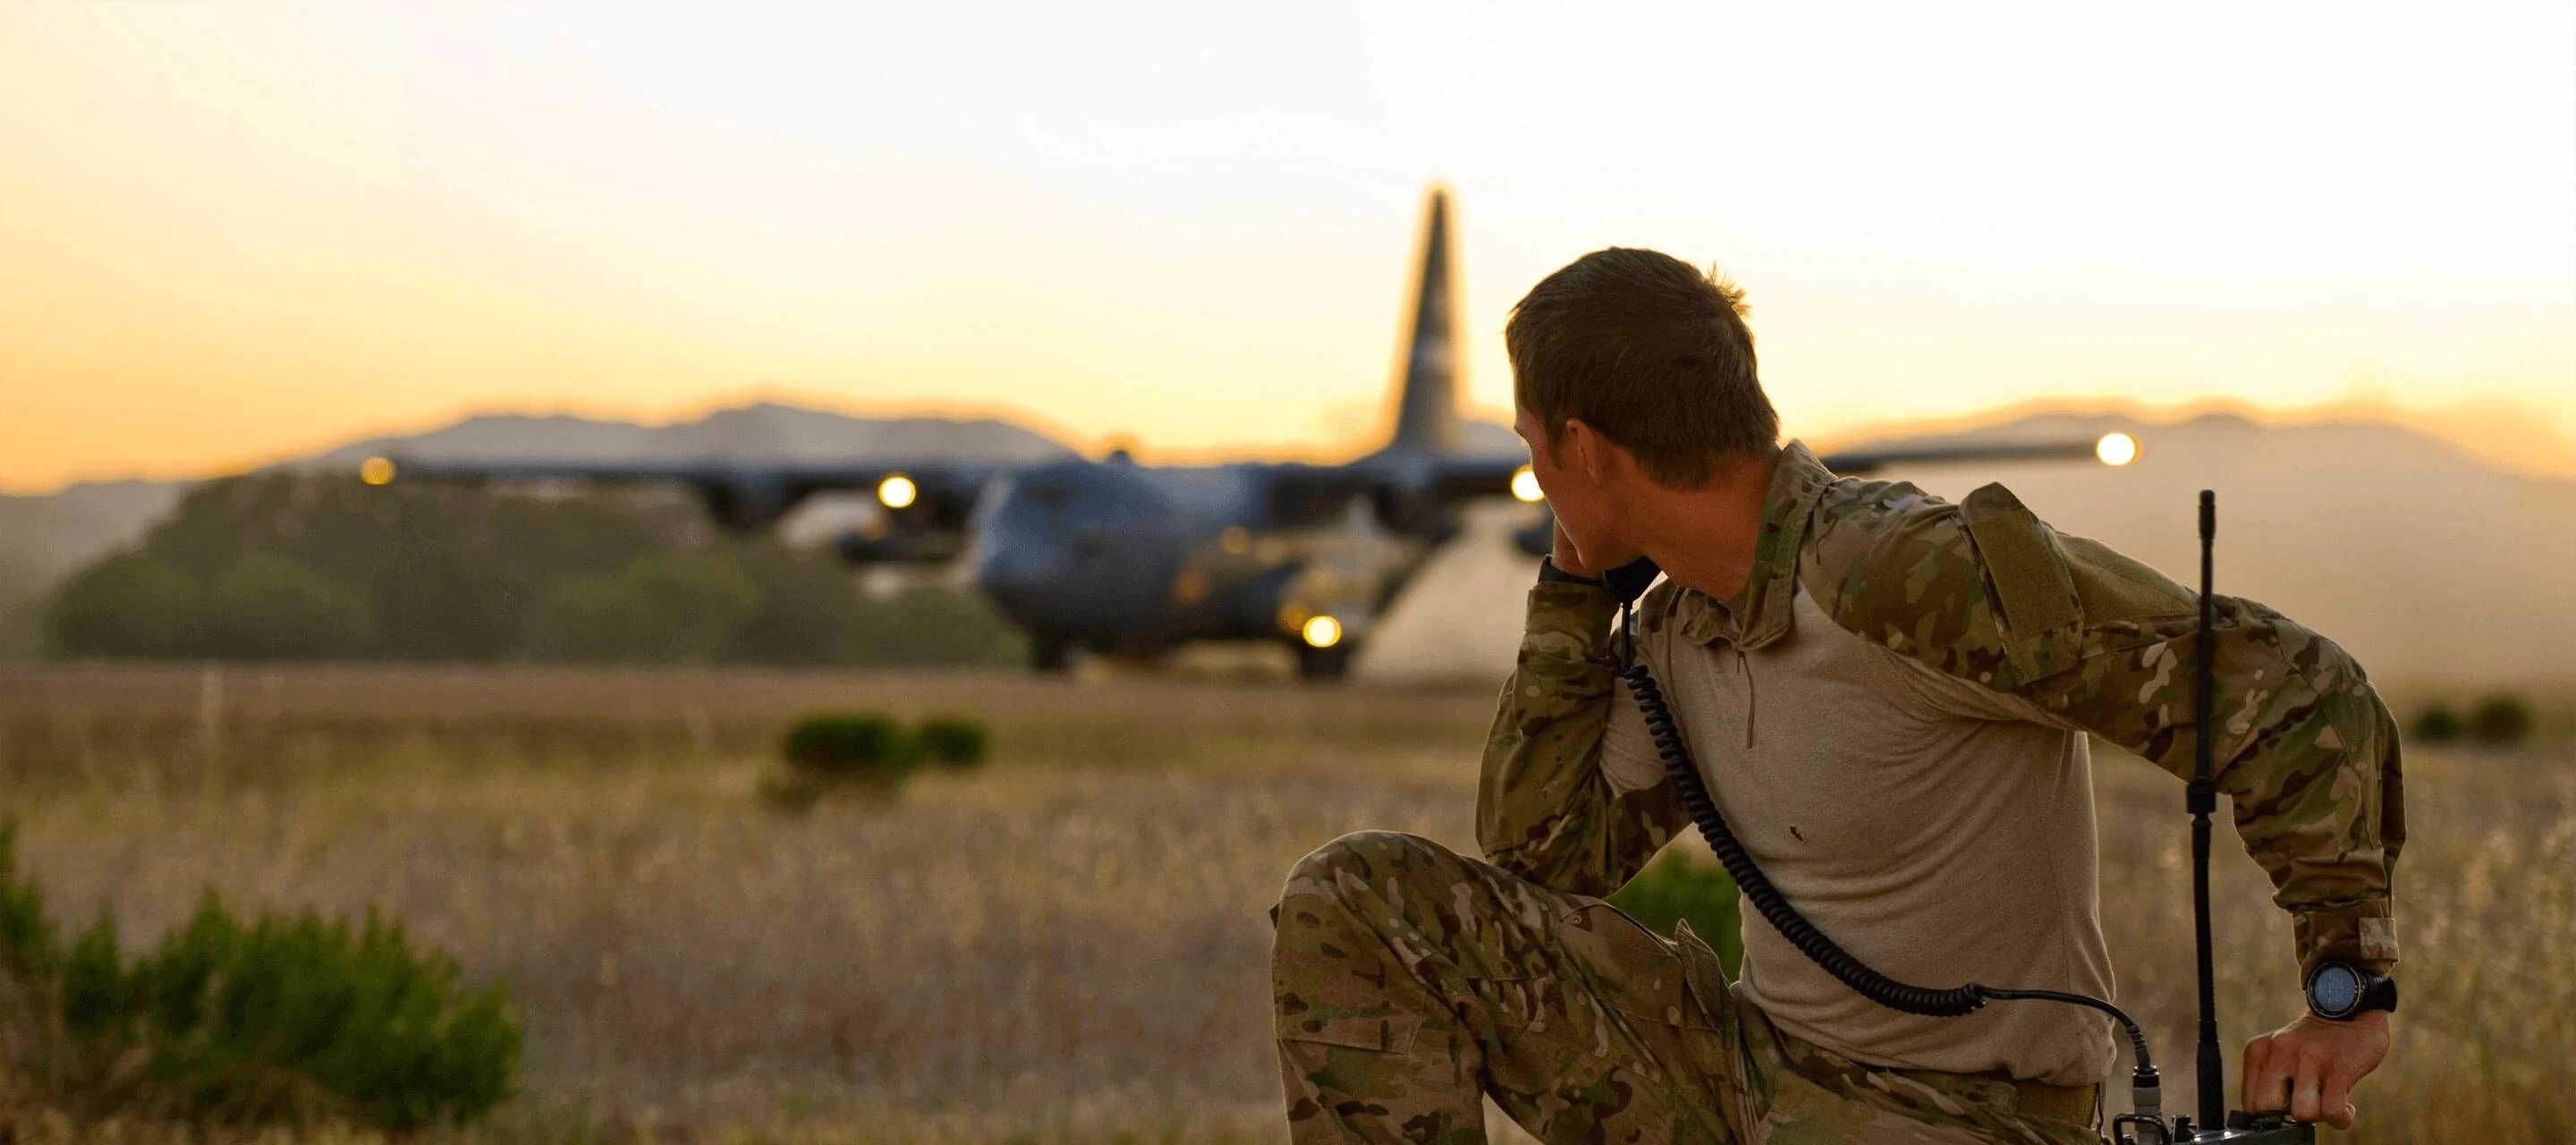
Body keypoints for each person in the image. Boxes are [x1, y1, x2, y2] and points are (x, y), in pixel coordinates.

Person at [1267, 248, 2402, 1143]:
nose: (1536, 470)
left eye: (1534, 446)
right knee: (1360, 898)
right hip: (1751, 1074)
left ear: (1583, 445)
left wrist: (2345, 997)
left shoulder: (1904, 575)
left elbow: (2297, 691)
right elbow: (1542, 857)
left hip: (1960, 1113)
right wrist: (1573, 588)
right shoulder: (1675, 626)